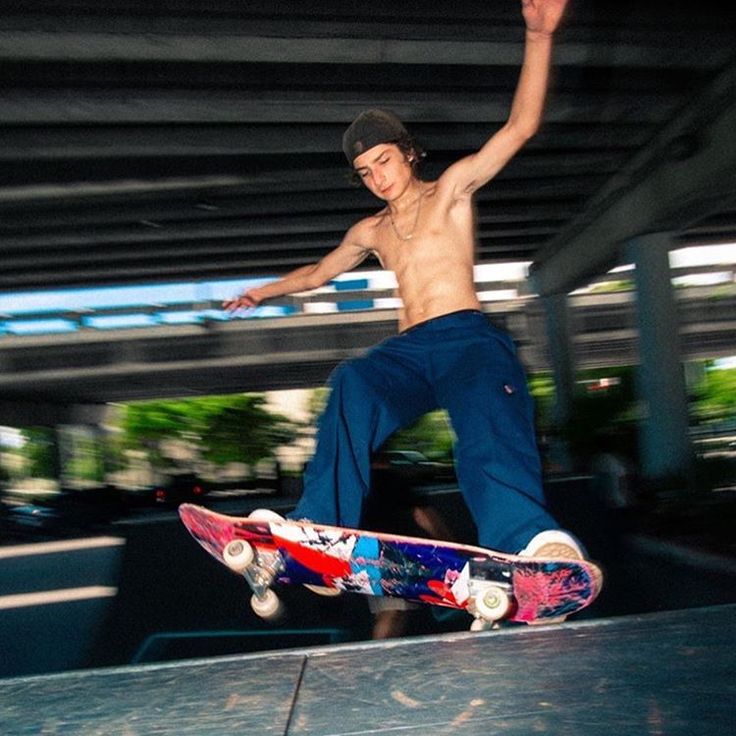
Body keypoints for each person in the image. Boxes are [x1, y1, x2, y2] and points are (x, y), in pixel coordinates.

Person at [225, 0, 589, 565]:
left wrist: (539, 36)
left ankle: (528, 540)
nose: (378, 178)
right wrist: (260, 292)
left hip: (468, 340)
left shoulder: (452, 190)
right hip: (410, 353)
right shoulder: (371, 231)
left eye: (385, 162)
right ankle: (316, 532)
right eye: (366, 172)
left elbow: (521, 127)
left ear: (409, 152)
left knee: (486, 425)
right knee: (353, 382)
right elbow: (319, 273)